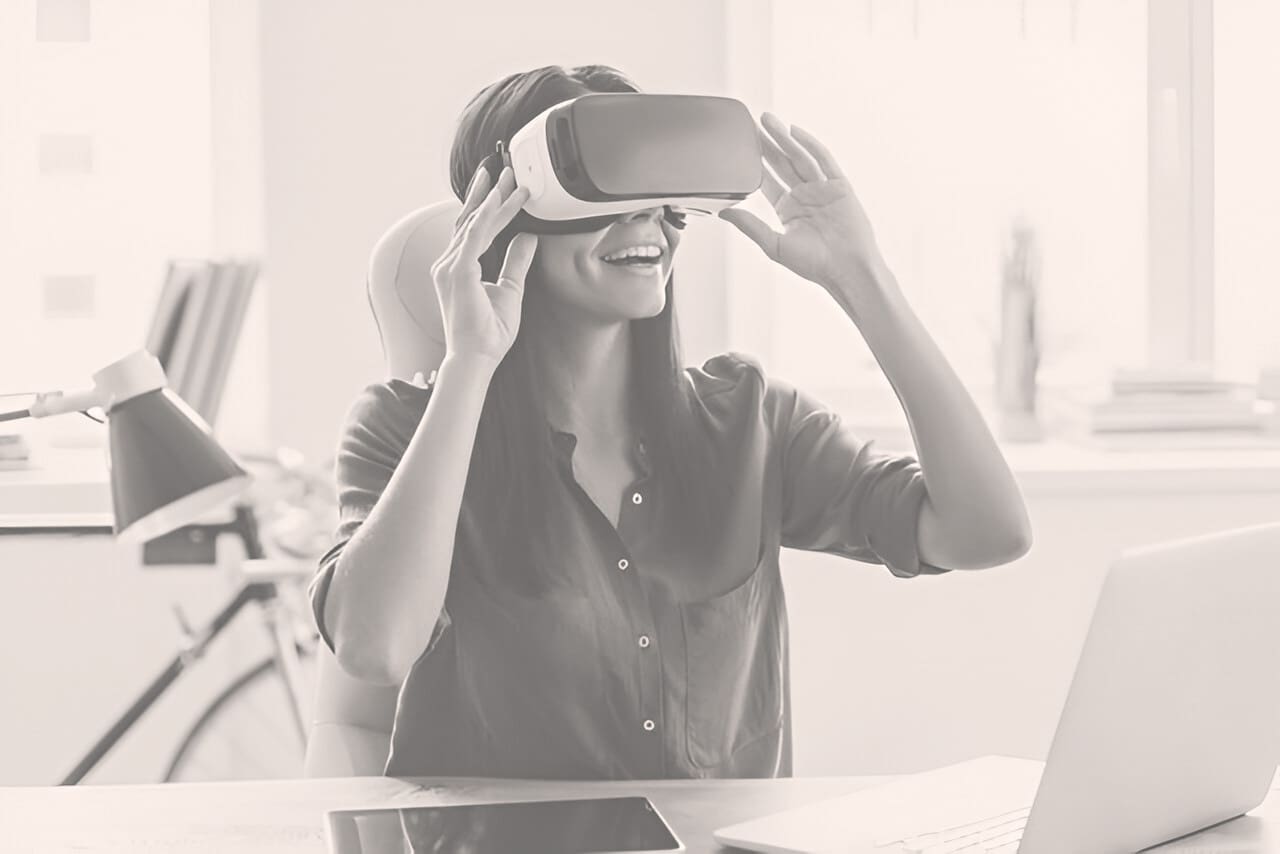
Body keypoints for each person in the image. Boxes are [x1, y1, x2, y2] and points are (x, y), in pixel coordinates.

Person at [308, 64, 1032, 780]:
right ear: (500, 219)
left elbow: (987, 532)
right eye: (606, 193)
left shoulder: (747, 421)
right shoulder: (406, 428)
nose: (645, 221)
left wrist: (860, 278)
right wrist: (471, 362)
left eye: (659, 197)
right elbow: (375, 648)